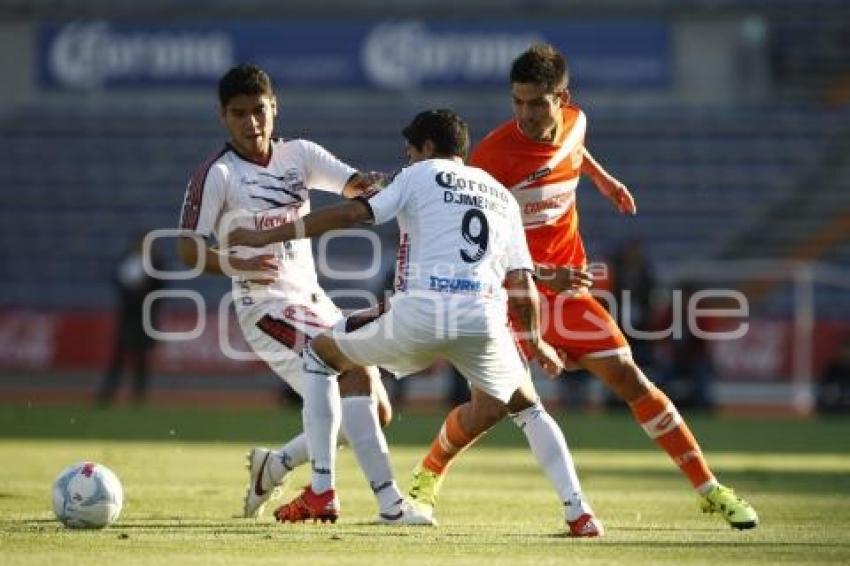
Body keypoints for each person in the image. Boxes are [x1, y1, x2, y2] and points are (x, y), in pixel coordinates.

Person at [404, 44, 758, 530]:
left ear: (562, 99)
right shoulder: (492, 158)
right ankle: (428, 474)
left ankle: (709, 487)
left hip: (570, 294)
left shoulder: (577, 122)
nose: (526, 113)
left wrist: (605, 181)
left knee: (632, 380)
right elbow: (481, 247)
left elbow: (574, 150)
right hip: (512, 296)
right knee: (488, 410)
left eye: (537, 102)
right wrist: (544, 275)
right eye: (518, 102)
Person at [230, 109, 602, 535]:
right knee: (529, 409)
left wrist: (265, 236)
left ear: (426, 148)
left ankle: (322, 488)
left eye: (410, 151)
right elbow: (520, 282)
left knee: (320, 355)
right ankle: (580, 513)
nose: (406, 160)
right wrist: (536, 342)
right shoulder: (500, 195)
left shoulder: (420, 175)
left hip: (419, 314)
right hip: (482, 319)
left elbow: (352, 215)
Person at [177, 63, 414, 523]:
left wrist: (378, 183)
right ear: (223, 116)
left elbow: (355, 188)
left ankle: (276, 463)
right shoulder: (218, 174)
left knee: (375, 411)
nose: (252, 123)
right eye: (239, 114)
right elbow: (188, 249)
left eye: (259, 111)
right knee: (355, 374)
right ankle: (387, 503)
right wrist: (235, 262)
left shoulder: (300, 155)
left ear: (274, 108)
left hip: (310, 299)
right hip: (265, 306)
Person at [95, 233, 164, 406]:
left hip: (145, 317)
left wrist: (139, 292)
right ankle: (108, 393)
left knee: (141, 358)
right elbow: (117, 281)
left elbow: (159, 289)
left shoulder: (156, 264)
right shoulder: (129, 261)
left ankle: (138, 395)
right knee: (119, 357)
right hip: (128, 316)